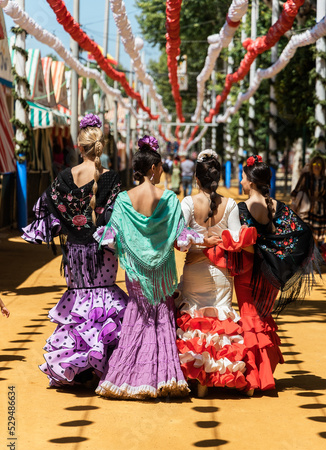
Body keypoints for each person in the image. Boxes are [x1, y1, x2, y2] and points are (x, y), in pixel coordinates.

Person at [21, 113, 128, 388]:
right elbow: (119, 218)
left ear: (79, 147)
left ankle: (78, 368)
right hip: (102, 254)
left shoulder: (64, 177)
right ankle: (103, 364)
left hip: (76, 256)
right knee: (103, 305)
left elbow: (45, 207)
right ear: (99, 145)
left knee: (79, 307)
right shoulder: (112, 179)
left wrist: (66, 226)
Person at [94, 135, 202, 400]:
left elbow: (112, 237)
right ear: (153, 168)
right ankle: (163, 377)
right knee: (160, 318)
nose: (163, 171)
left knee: (138, 316)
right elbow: (180, 239)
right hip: (162, 273)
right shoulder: (169, 199)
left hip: (135, 273)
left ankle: (124, 379)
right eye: (161, 167)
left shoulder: (122, 199)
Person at [234, 154, 321, 391]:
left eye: (242, 177)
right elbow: (301, 232)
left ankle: (255, 378)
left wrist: (258, 246)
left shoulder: (243, 207)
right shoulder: (277, 206)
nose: (240, 182)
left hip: (250, 274)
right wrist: (274, 252)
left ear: (251, 182)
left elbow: (245, 242)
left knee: (251, 322)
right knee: (263, 320)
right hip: (271, 275)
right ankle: (265, 374)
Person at [176, 150, 257, 398]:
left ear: (196, 179)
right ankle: (224, 375)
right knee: (221, 323)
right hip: (223, 273)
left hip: (194, 271)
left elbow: (179, 242)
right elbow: (235, 241)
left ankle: (199, 378)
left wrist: (201, 240)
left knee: (195, 321)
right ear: (218, 178)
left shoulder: (188, 203)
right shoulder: (230, 204)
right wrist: (217, 241)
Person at [291, 155, 326, 246]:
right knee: (305, 233)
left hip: (320, 212)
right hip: (306, 210)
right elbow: (296, 191)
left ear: (322, 167)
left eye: (319, 164)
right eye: (314, 163)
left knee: (318, 237)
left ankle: (316, 257)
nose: (316, 165)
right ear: (311, 165)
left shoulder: (325, 180)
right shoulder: (306, 177)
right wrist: (293, 204)